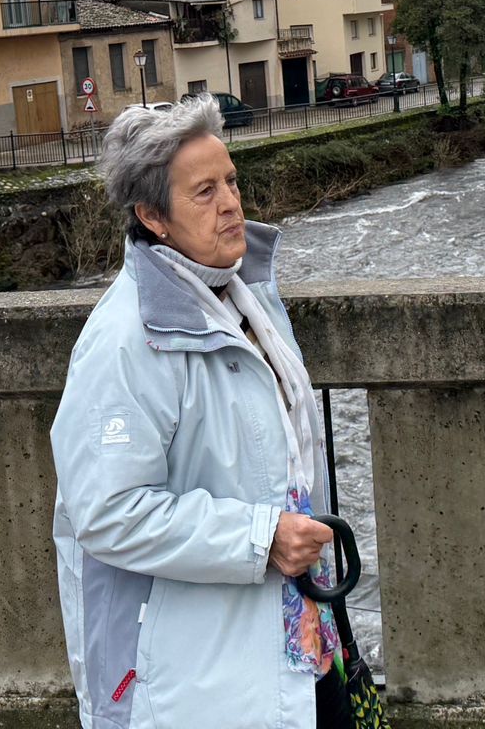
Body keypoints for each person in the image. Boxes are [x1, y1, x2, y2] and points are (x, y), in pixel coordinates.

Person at [53, 97, 340, 729]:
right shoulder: (126, 339)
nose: (232, 204)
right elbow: (107, 512)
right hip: (196, 676)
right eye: (204, 191)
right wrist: (261, 539)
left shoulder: (243, 294)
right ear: (153, 215)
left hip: (294, 642)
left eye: (232, 182)